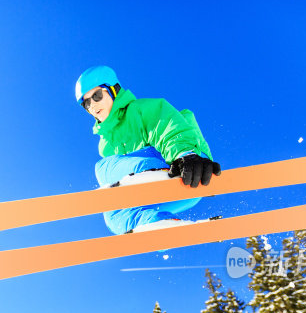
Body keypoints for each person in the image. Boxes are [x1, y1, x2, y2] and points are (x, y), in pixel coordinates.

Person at [75, 65, 221, 235]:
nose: (92, 105)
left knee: (101, 169)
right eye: (86, 103)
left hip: (184, 171)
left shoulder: (140, 110)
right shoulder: (105, 145)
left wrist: (186, 155)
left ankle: (154, 174)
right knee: (111, 214)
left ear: (113, 90)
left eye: (97, 96)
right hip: (154, 196)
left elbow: (168, 129)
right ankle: (159, 227)